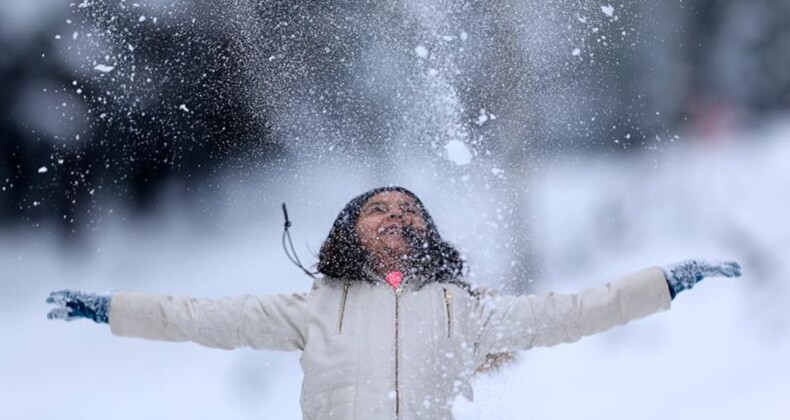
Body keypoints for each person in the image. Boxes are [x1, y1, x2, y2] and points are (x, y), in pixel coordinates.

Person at [47, 186, 742, 420]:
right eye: (377, 208)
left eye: (410, 209)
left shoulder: (463, 310)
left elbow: (574, 311)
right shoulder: (313, 307)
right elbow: (197, 317)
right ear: (350, 231)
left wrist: (665, 283)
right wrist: (110, 308)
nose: (395, 216)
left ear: (428, 233)